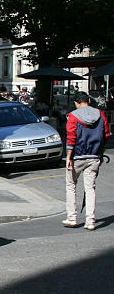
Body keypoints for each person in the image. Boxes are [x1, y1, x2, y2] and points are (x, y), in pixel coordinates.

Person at [63, 91, 110, 230]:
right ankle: (90, 221)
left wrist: (68, 157)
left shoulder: (73, 116)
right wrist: (100, 152)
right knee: (90, 188)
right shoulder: (100, 114)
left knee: (71, 185)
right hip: (94, 156)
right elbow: (106, 134)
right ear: (88, 101)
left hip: (77, 156)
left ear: (76, 103)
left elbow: (71, 138)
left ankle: (72, 218)